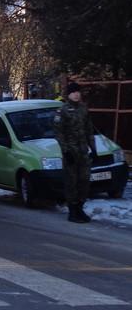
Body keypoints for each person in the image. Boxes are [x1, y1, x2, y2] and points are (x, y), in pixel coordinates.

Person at [54, 82, 96, 223]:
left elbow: (89, 130)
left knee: (84, 181)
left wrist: (93, 149)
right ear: (69, 94)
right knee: (72, 182)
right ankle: (72, 211)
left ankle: (80, 208)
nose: (77, 94)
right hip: (71, 152)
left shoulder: (84, 109)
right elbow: (59, 134)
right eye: (74, 92)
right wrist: (66, 152)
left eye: (78, 92)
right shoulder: (63, 111)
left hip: (83, 151)